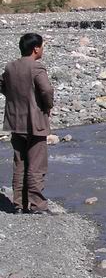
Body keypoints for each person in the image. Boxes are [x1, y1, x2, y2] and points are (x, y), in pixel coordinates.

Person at [0, 33, 54, 214]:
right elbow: (46, 90)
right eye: (42, 46)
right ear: (36, 48)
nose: (43, 49)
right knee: (36, 165)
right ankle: (37, 205)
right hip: (35, 122)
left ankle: (19, 204)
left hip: (15, 122)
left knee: (20, 164)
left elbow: (2, 85)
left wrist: (13, 98)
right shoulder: (36, 67)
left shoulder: (10, 67)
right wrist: (47, 106)